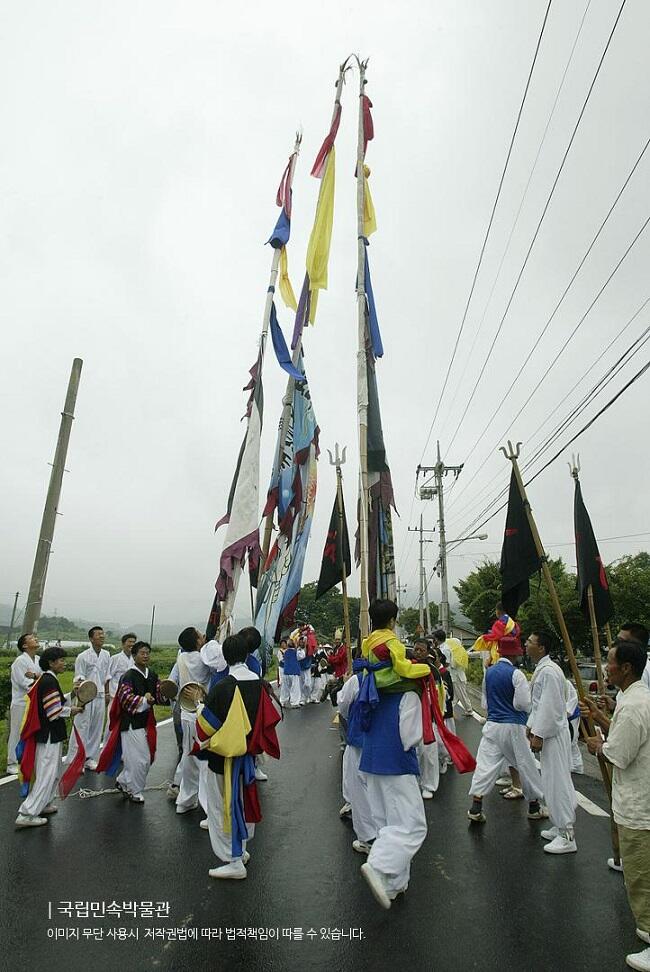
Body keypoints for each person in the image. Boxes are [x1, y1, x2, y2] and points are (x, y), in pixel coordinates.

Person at [582, 636, 650, 971]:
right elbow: (624, 736)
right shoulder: (633, 698)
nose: (606, 667)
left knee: (641, 876)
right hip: (639, 801)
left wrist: (597, 745)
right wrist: (600, 716)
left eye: (610, 662)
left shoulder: (635, 704)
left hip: (640, 808)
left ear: (625, 668)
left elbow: (618, 753)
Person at [357, 599, 430, 910]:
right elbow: (413, 737)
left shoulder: (367, 675)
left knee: (388, 824)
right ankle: (379, 865)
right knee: (412, 826)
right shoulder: (407, 694)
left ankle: (394, 883)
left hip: (371, 759)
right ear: (394, 621)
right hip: (396, 763)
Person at [192, 633, 281, 880]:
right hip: (249, 757)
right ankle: (240, 850)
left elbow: (204, 729)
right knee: (242, 802)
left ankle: (233, 859)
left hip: (224, 759)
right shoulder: (259, 682)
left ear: (225, 656)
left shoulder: (223, 687)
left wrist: (200, 706)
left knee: (224, 808)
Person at [467, 638, 546, 825]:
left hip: (492, 724)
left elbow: (485, 703)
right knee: (525, 764)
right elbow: (523, 704)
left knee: (485, 765)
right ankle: (534, 807)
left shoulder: (490, 672)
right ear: (514, 654)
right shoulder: (517, 674)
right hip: (514, 726)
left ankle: (476, 807)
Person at [15, 647, 83, 827]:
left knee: (51, 774)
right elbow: (53, 712)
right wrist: (72, 710)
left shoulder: (45, 679)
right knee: (47, 775)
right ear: (51, 663)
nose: (64, 663)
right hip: (49, 736)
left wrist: (72, 695)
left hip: (47, 735)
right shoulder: (49, 681)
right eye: (60, 660)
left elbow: (54, 703)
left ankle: (44, 803)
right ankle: (27, 813)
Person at [525, 631, 578, 855]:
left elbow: (550, 707)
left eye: (530, 642)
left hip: (553, 734)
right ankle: (559, 825)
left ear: (542, 648)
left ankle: (567, 834)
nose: (526, 645)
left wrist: (539, 734)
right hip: (550, 732)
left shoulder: (549, 672)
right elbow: (538, 705)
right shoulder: (546, 669)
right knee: (550, 780)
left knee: (557, 782)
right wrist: (531, 724)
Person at [98, 641, 167, 803]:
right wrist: (144, 701)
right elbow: (125, 699)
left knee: (146, 756)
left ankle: (123, 781)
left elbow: (159, 696)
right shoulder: (128, 676)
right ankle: (135, 791)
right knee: (140, 758)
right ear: (134, 656)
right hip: (130, 723)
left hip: (146, 721)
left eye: (147, 652)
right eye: (142, 653)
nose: (145, 655)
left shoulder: (152, 674)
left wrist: (166, 692)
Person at [168, 627, 212, 814]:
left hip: (186, 714)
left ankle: (184, 801)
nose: (204, 636)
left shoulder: (180, 659)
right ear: (197, 642)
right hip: (204, 714)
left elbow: (171, 684)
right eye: (201, 635)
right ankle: (208, 803)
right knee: (206, 759)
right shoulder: (206, 658)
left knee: (187, 755)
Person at [337, 663, 378, 853]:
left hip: (360, 735)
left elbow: (343, 705)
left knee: (359, 784)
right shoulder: (400, 677)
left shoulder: (358, 679)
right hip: (387, 740)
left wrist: (351, 718)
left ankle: (369, 837)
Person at [64, 626, 111, 770]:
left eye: (103, 634)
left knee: (96, 728)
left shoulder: (106, 654)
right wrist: (81, 699)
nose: (102, 637)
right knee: (82, 726)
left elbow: (107, 676)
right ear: (91, 638)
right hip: (86, 696)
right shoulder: (82, 656)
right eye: (98, 635)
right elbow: (79, 679)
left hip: (101, 695)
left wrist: (107, 694)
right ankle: (76, 759)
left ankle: (90, 758)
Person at [7, 633, 41, 774]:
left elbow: (44, 677)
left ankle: (27, 759)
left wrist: (34, 676)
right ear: (24, 645)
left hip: (34, 702)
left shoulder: (39, 659)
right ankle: (12, 763)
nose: (36, 639)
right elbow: (24, 683)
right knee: (17, 732)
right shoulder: (20, 661)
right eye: (32, 638)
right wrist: (36, 679)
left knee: (32, 732)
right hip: (21, 702)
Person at [411, 639, 440, 798]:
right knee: (412, 751)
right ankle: (414, 782)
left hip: (429, 716)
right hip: (412, 715)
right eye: (416, 649)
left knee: (428, 753)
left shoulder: (433, 671)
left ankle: (429, 785)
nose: (418, 652)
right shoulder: (408, 666)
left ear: (428, 652)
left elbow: (439, 694)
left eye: (421, 650)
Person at [102, 633, 137, 745]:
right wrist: (107, 693)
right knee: (111, 723)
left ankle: (123, 750)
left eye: (133, 642)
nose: (131, 644)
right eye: (129, 642)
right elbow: (107, 677)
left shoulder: (135, 660)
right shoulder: (115, 659)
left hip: (130, 698)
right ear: (123, 644)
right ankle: (107, 747)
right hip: (115, 697)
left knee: (127, 724)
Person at [433, 629, 473, 716]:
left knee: (460, 694)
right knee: (454, 695)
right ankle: (450, 709)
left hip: (455, 676)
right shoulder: (443, 648)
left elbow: (446, 663)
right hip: (453, 675)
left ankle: (468, 710)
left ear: (437, 639)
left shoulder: (446, 649)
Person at [279, 635, 302, 708]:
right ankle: (294, 703)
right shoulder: (296, 652)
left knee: (285, 688)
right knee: (295, 688)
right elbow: (302, 656)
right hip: (294, 671)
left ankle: (283, 701)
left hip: (286, 672)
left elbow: (282, 660)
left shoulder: (285, 652)